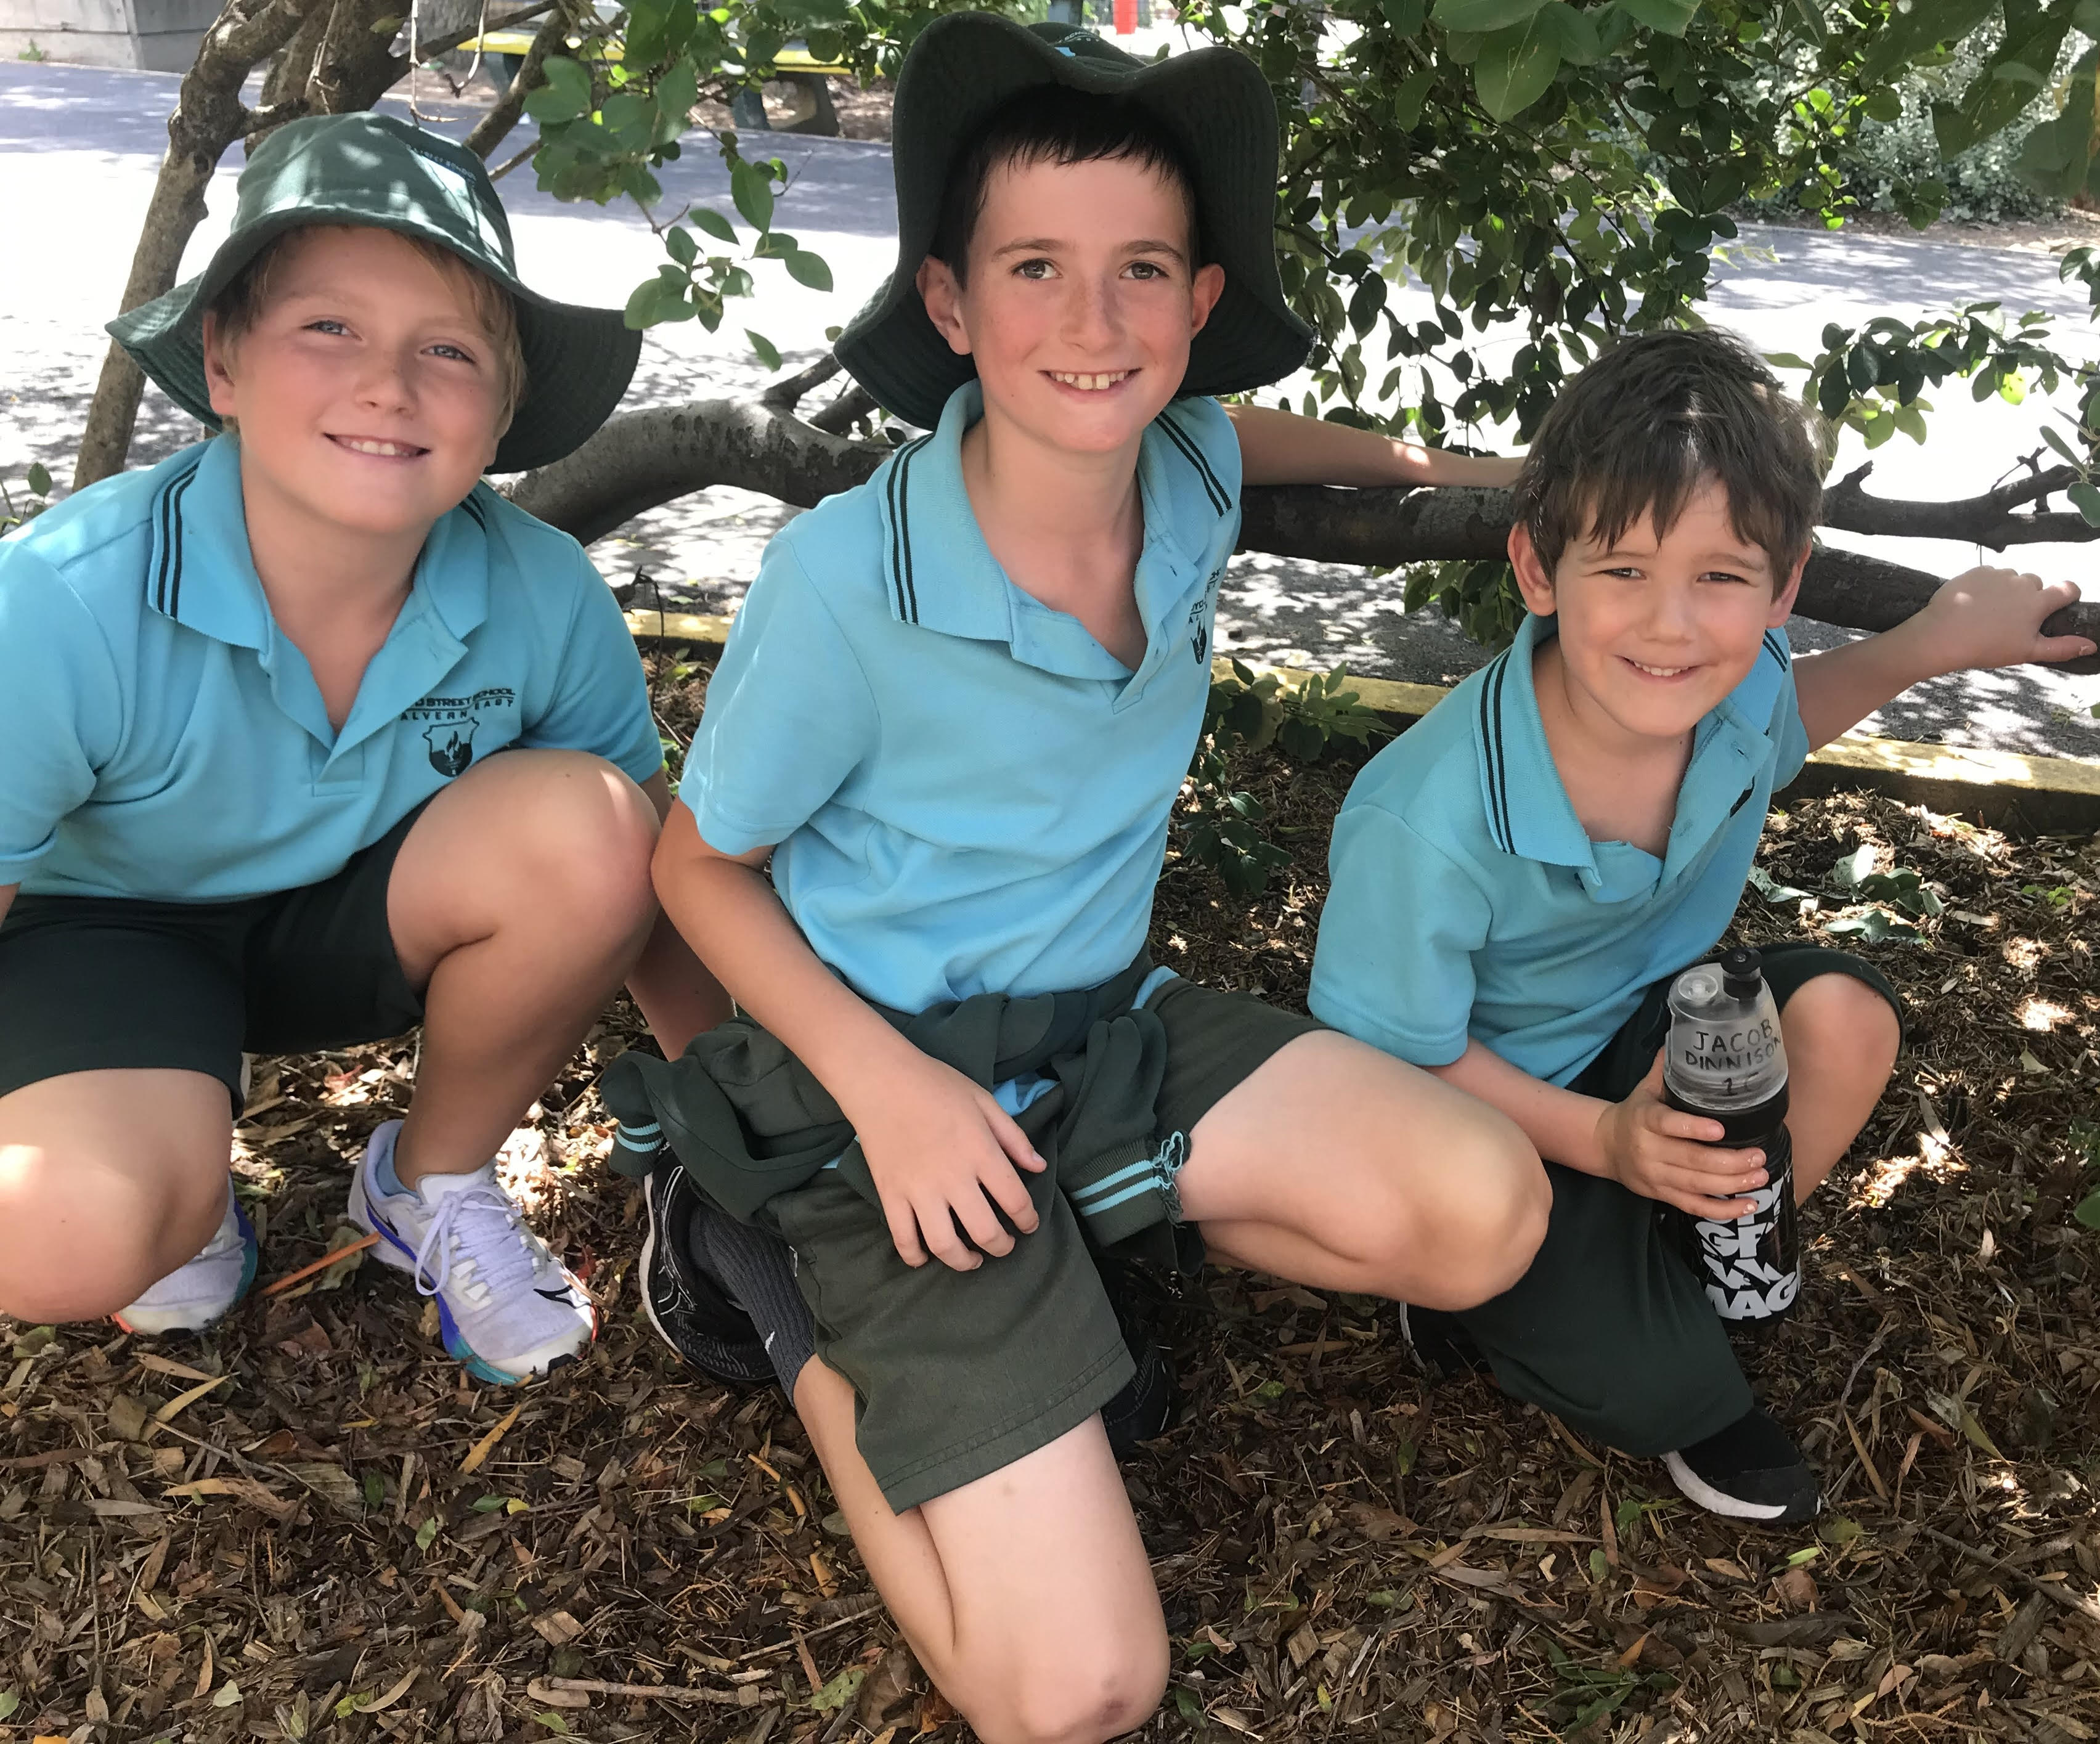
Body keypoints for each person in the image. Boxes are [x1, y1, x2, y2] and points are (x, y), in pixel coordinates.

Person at [603, 15, 1549, 1742]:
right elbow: (696, 863)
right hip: (875, 1081)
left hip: (1104, 1036)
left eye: (1143, 272)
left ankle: (1076, 1217)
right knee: (1078, 1689)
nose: (1095, 324)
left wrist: (1461, 478)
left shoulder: (1179, 465)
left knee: (1483, 1211)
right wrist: (888, 1091)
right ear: (952, 304)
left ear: (1199, 301)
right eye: (1036, 267)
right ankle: (763, 1261)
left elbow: (1260, 440)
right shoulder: (849, 584)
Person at [1309, 327, 2094, 1526]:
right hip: (1483, 1115)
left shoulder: (1739, 689)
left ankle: (1699, 1247)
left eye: (1722, 576)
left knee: (1845, 1017)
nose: (1672, 625)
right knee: (1665, 1386)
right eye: (1623, 568)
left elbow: (1789, 717)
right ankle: (1466, 1288)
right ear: (1537, 567)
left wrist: (1932, 643)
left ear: (1784, 587)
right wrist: (1603, 1139)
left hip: (1651, 1039)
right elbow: (1385, 1060)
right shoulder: (1427, 818)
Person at [0, 113, 728, 1383]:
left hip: (361, 917)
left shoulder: (542, 589)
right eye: (328, 327)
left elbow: (661, 874)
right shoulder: (65, 597)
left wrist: (739, 1110)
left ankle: (428, 1176)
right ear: (222, 360)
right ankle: (172, 1164)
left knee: (604, 825)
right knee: (63, 1234)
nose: (389, 384)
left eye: (448, 348)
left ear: (502, 410)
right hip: (116, 932)